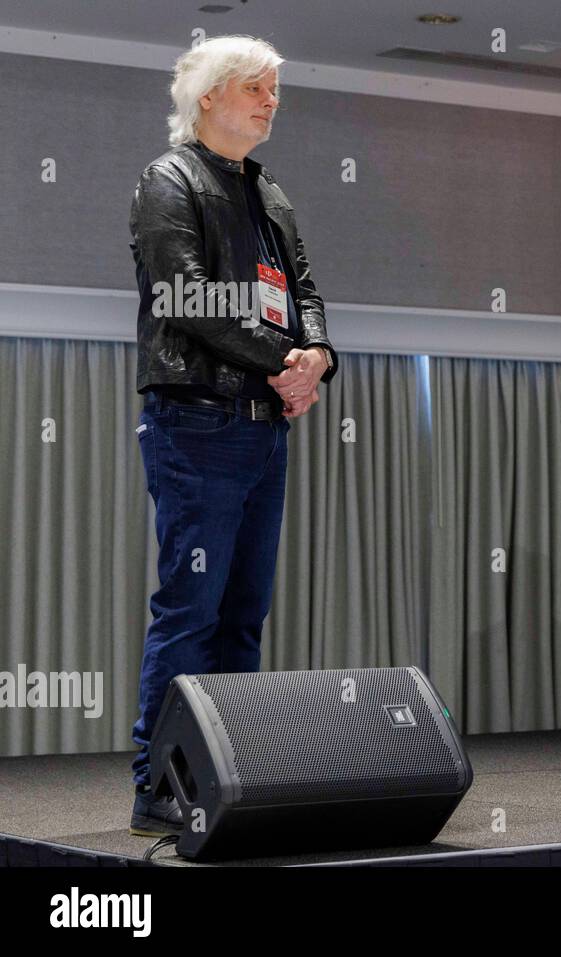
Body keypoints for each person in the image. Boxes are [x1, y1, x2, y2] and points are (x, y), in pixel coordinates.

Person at [127, 35, 338, 835]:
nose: (270, 100)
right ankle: (159, 787)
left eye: (276, 89)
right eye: (256, 86)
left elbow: (306, 291)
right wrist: (286, 357)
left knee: (244, 614)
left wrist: (316, 356)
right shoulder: (168, 179)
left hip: (264, 428)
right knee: (192, 609)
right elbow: (185, 293)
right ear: (209, 94)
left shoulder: (271, 194)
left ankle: (226, 776)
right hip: (198, 422)